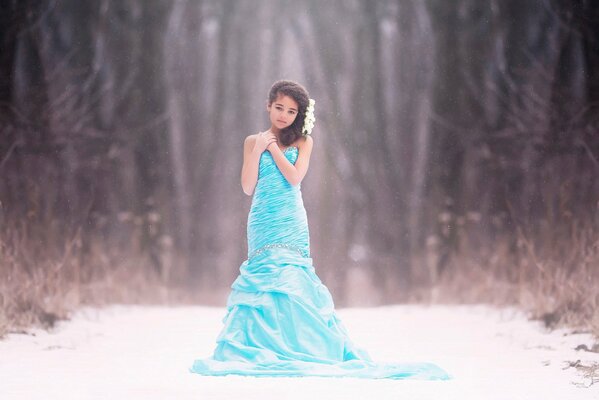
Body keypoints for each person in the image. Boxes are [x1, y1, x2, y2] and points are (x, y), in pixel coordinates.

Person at [189, 80, 451, 379]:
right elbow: (248, 187)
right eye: (279, 108)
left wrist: (273, 149)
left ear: (298, 114)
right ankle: (262, 344)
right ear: (268, 106)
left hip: (290, 220)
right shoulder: (252, 141)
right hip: (261, 219)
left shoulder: (303, 141)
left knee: (291, 276)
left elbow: (294, 178)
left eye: (290, 111)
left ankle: (300, 344)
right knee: (264, 277)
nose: (283, 115)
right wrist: (259, 147)